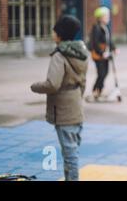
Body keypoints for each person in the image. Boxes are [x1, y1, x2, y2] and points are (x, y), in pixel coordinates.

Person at [31, 15, 89, 181]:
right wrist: (76, 97)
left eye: (54, 31)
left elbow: (52, 84)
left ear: (60, 34)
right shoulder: (82, 53)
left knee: (70, 155)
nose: (52, 33)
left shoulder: (59, 55)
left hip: (63, 111)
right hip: (76, 107)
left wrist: (35, 86)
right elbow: (83, 82)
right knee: (72, 150)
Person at [89, 7, 116, 99]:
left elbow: (109, 40)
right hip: (99, 55)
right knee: (101, 73)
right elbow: (95, 42)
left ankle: (99, 90)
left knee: (106, 72)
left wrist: (114, 48)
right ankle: (95, 90)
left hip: (106, 54)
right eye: (106, 16)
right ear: (100, 17)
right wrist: (101, 53)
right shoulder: (96, 28)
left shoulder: (105, 27)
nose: (108, 17)